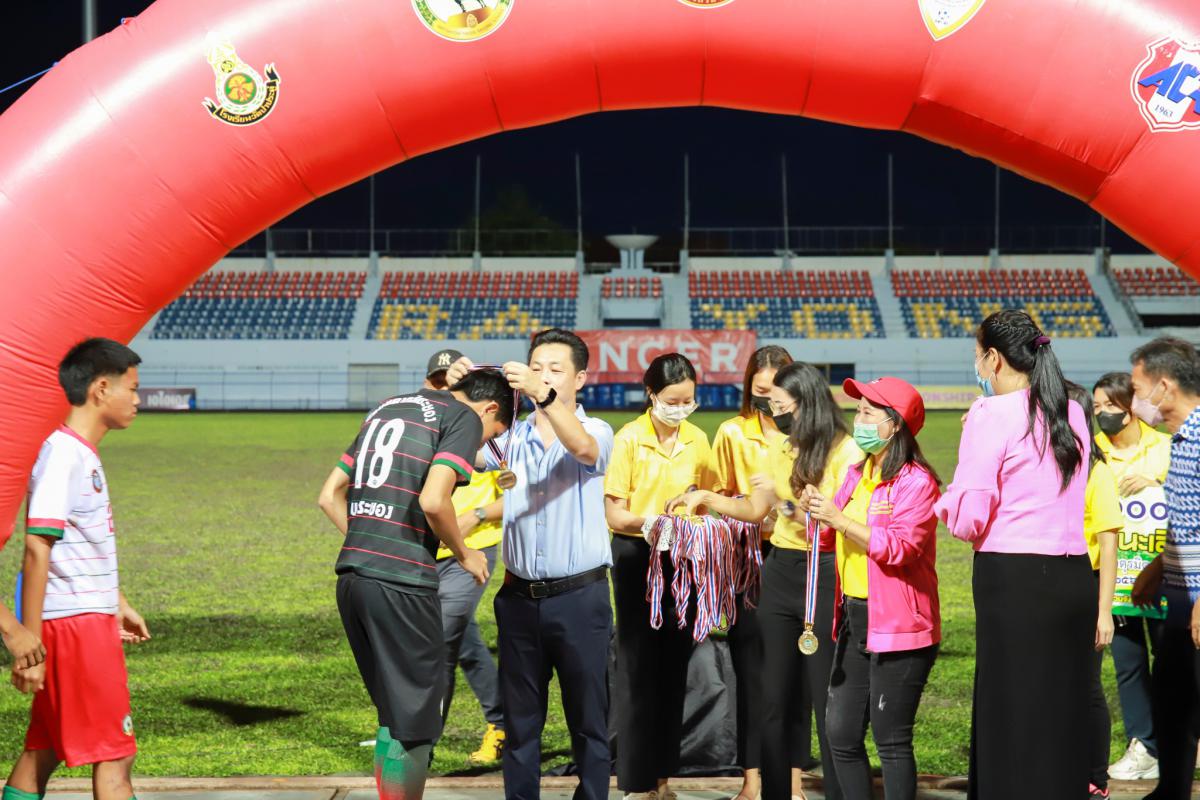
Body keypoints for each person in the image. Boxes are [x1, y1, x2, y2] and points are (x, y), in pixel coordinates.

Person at [670, 361, 863, 800]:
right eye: (771, 406)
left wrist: (796, 505)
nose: (775, 415)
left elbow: (835, 522)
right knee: (771, 695)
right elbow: (759, 511)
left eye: (780, 406)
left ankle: (839, 790)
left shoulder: (847, 452)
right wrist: (708, 497)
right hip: (779, 573)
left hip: (824, 573)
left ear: (807, 403)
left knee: (826, 700)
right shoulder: (783, 449)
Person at [317, 369, 513, 800]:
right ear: (489, 409)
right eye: (492, 435)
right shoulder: (462, 417)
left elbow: (328, 495)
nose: (481, 445)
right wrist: (464, 553)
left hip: (353, 577)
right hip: (402, 583)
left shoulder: (388, 407)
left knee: (392, 715)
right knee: (417, 724)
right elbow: (433, 500)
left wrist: (369, 539)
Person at [445, 329, 615, 800]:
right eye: (536, 367)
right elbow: (458, 449)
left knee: (589, 722)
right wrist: (454, 395)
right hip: (518, 599)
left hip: (580, 598)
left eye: (555, 369)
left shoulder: (598, 430)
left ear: (580, 378)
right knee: (521, 725)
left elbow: (584, 450)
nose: (543, 376)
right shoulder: (510, 437)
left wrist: (545, 395)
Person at [933, 309, 1091, 799]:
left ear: (994, 359)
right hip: (1073, 574)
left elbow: (968, 518)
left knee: (1010, 707)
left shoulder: (989, 414)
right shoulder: (1072, 410)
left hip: (1014, 578)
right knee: (1062, 708)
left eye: (977, 355)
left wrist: (944, 499)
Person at [3, 338, 151, 800]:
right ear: (101, 389)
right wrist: (30, 644)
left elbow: (81, 544)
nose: (138, 399)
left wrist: (116, 602)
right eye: (133, 388)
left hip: (85, 618)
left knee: (42, 750)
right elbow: (37, 548)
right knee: (115, 757)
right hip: (76, 629)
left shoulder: (79, 453)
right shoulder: (64, 455)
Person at [803, 377, 941, 800]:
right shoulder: (857, 472)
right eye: (858, 409)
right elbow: (830, 539)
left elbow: (901, 548)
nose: (857, 418)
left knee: (891, 739)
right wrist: (815, 514)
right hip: (854, 617)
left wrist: (840, 520)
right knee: (840, 733)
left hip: (900, 625)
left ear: (895, 424)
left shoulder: (917, 482)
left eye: (867, 412)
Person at [605, 353, 713, 800]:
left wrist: (696, 519)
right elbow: (614, 512)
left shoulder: (698, 440)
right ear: (651, 395)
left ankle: (664, 781)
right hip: (637, 555)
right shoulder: (629, 439)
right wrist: (649, 523)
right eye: (672, 400)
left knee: (673, 668)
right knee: (637, 668)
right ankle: (636, 783)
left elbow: (709, 496)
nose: (681, 408)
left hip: (683, 557)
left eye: (688, 400)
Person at [709, 345, 797, 800]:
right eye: (758, 391)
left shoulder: (807, 434)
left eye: (774, 392)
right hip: (747, 559)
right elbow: (720, 494)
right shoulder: (731, 432)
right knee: (750, 670)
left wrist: (784, 508)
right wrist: (746, 509)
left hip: (796, 557)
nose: (767, 400)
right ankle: (752, 779)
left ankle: (794, 781)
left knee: (795, 673)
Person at [1126, 337, 1200, 800]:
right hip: (1177, 599)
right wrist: (1158, 566)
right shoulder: (1182, 439)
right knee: (1173, 701)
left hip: (1195, 601)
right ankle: (1171, 789)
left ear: (1165, 387)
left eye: (1137, 389)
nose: (1134, 402)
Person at [1093, 371, 1172, 782]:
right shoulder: (1093, 451)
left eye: (1110, 405)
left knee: (1171, 661)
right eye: (1096, 406)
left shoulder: (1166, 446)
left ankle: (1178, 739)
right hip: (1116, 575)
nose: (1102, 413)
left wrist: (1155, 481)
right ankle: (1144, 745)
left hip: (1166, 574)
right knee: (1128, 662)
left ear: (1131, 407)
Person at [1066, 382, 1122, 800]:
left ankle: (1094, 778)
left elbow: (1109, 544)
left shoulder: (1096, 471)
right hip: (1050, 585)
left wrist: (1104, 611)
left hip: (1086, 585)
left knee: (1085, 686)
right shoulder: (1047, 465)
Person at [439, 468, 506, 764]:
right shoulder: (428, 439)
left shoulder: (492, 445)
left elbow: (520, 496)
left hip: (472, 548)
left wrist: (475, 515)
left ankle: (420, 743)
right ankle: (502, 723)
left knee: (439, 646)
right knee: (463, 641)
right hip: (423, 552)